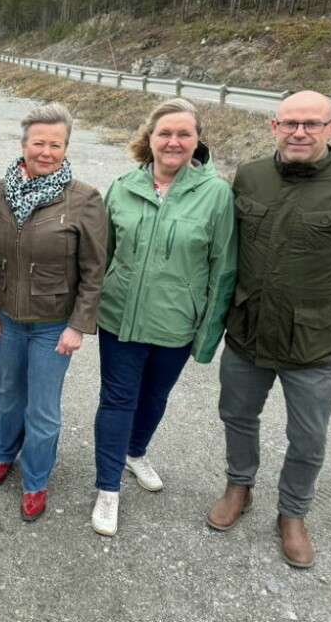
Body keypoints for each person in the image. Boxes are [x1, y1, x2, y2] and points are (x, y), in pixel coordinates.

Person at [206, 90, 331, 567]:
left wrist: (326, 303)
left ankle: (292, 514)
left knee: (308, 436)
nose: (300, 132)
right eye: (290, 123)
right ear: (274, 127)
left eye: (312, 124)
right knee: (237, 416)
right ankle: (239, 487)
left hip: (313, 341)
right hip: (247, 332)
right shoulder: (250, 176)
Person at [90, 98, 236, 537]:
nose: (174, 142)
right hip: (119, 318)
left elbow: (222, 269)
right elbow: (103, 255)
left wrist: (207, 337)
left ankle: (136, 452)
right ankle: (108, 488)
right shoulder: (123, 186)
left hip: (176, 323)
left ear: (196, 140)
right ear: (149, 138)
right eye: (165, 134)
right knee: (117, 399)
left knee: (154, 397)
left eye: (184, 134)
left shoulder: (217, 194)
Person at [0, 103, 106, 522]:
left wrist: (78, 325)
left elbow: (95, 268)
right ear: (23, 144)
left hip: (53, 328)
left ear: (66, 148)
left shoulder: (84, 199)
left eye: (55, 144)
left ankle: (35, 480)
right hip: (7, 321)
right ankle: (2, 454)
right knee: (7, 395)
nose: (46, 151)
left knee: (42, 409)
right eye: (38, 142)